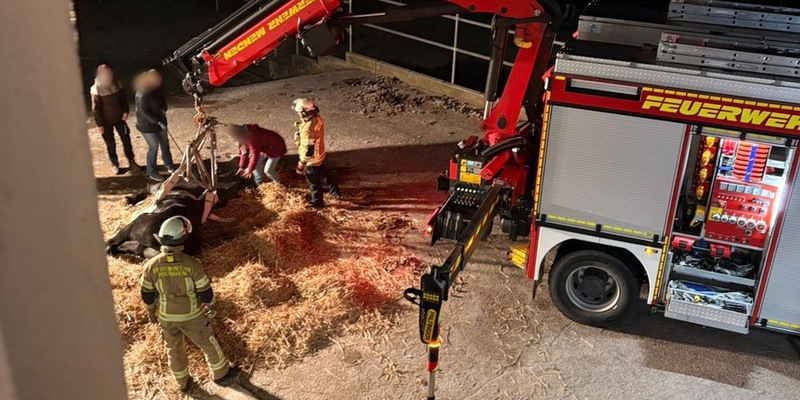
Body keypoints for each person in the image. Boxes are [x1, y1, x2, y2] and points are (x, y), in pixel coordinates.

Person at [140, 216, 239, 391]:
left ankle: (182, 383)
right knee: (208, 342)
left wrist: (151, 312)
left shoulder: (151, 265)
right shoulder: (192, 264)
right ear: (183, 237)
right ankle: (221, 374)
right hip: (191, 316)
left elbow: (146, 293)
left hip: (166, 317)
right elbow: (205, 293)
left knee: (174, 349)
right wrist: (209, 305)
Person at [90, 64, 140, 175]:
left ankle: (131, 161)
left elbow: (123, 100)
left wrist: (125, 111)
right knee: (110, 143)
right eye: (106, 74)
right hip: (106, 122)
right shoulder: (96, 88)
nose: (109, 76)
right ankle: (114, 164)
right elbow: (96, 109)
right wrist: (100, 124)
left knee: (126, 140)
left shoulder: (117, 84)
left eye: (110, 73)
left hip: (119, 119)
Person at [292, 98, 340, 208]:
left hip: (311, 160)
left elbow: (308, 150)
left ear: (305, 111)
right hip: (320, 155)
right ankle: (335, 193)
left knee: (313, 182)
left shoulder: (308, 130)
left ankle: (317, 202)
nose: (298, 114)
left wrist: (301, 164)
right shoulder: (317, 118)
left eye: (299, 112)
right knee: (324, 174)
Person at [135, 69, 176, 182]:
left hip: (160, 121)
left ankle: (169, 165)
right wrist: (157, 121)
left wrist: (163, 109)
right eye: (157, 81)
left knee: (165, 143)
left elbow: (163, 101)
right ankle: (151, 171)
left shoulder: (157, 89)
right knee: (153, 146)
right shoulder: (142, 93)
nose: (159, 83)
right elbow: (143, 111)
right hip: (147, 125)